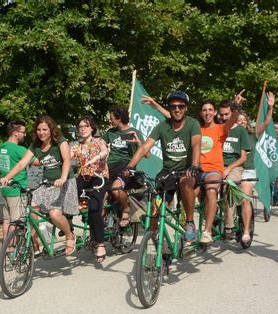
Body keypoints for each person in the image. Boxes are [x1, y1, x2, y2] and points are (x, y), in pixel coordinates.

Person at [0, 116, 78, 256]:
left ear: (51, 129)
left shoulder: (60, 141)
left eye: (44, 129)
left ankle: (69, 235)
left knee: (54, 214)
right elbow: (22, 163)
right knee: (30, 208)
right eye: (38, 129)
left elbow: (67, 160)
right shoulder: (35, 145)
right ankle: (36, 242)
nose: (41, 132)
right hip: (47, 183)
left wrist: (63, 178)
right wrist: (7, 177)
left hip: (64, 183)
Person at [129, 90, 201, 241]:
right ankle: (159, 246)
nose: (177, 109)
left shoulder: (193, 124)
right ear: (170, 109)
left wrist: (194, 165)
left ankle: (189, 222)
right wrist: (130, 166)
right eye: (173, 106)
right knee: (155, 207)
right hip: (168, 171)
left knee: (185, 181)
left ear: (186, 108)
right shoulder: (162, 126)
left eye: (180, 106)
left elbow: (196, 144)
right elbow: (144, 147)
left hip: (188, 170)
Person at [196, 94, 243, 244]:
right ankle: (192, 226)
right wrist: (155, 105)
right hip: (198, 171)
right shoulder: (196, 128)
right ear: (201, 113)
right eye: (204, 110)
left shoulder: (220, 129)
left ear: (214, 112)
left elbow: (232, 120)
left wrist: (235, 106)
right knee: (190, 194)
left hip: (214, 170)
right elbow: (175, 118)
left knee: (211, 191)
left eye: (210, 109)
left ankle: (207, 231)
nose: (208, 112)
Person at [237, 92, 275, 243]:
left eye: (243, 120)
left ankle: (246, 230)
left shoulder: (252, 135)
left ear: (247, 123)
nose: (240, 122)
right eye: (237, 120)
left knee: (245, 199)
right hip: (231, 171)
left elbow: (266, 123)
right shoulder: (229, 134)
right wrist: (237, 105)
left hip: (247, 172)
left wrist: (270, 107)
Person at [71, 115, 109, 262]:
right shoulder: (77, 145)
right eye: (80, 127)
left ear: (92, 128)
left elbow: (105, 151)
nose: (82, 129)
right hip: (83, 177)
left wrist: (96, 157)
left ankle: (100, 243)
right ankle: (69, 232)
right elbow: (68, 156)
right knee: (67, 195)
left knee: (94, 208)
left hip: (97, 178)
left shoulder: (99, 141)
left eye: (85, 126)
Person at [102, 105, 145, 227]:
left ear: (119, 118)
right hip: (110, 166)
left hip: (126, 167)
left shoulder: (133, 132)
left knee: (116, 188)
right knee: (99, 194)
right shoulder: (110, 133)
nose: (110, 121)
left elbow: (147, 154)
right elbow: (99, 146)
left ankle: (127, 209)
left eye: (111, 118)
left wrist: (138, 142)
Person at [219, 99, 251, 238]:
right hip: (217, 166)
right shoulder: (217, 128)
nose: (224, 117)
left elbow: (243, 158)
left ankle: (229, 226)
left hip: (235, 167)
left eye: (227, 114)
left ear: (233, 114)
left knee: (229, 186)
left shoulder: (240, 131)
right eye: (222, 115)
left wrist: (228, 168)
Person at [0, 120, 28, 242]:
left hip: (5, 189)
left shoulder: (2, 147)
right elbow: (37, 162)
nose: (25, 135)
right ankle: (12, 247)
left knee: (6, 220)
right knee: (16, 221)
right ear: (16, 133)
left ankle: (6, 246)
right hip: (17, 190)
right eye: (23, 132)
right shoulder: (19, 149)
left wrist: (1, 176)